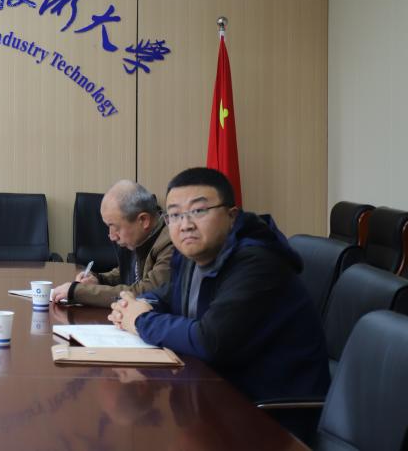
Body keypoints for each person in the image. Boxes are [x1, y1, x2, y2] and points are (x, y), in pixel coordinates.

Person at [108, 167, 330, 403]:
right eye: (174, 214)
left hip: (267, 407)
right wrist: (135, 305)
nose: (185, 225)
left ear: (231, 216)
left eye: (198, 211)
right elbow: (169, 295)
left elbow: (210, 341)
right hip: (214, 388)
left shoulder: (258, 264)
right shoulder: (191, 253)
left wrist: (140, 320)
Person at [50, 180, 173, 308]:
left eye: (115, 227)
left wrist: (77, 291)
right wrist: (99, 279)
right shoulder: (141, 236)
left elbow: (146, 292)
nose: (111, 236)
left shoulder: (170, 244)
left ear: (143, 220)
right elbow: (127, 272)